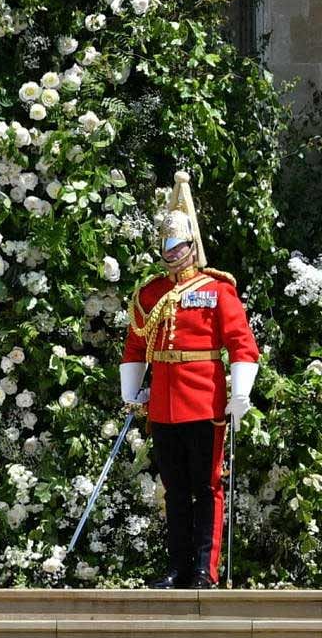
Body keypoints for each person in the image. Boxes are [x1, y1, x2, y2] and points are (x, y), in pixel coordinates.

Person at [120, 171, 259, 590]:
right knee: (174, 489)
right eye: (165, 245)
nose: (170, 251)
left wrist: (240, 392)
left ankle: (204, 569)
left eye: (177, 244)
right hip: (163, 404)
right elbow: (135, 346)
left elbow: (241, 345)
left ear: (191, 246)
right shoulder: (150, 292)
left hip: (204, 400)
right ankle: (178, 567)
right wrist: (132, 392)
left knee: (206, 486)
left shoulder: (218, 290)